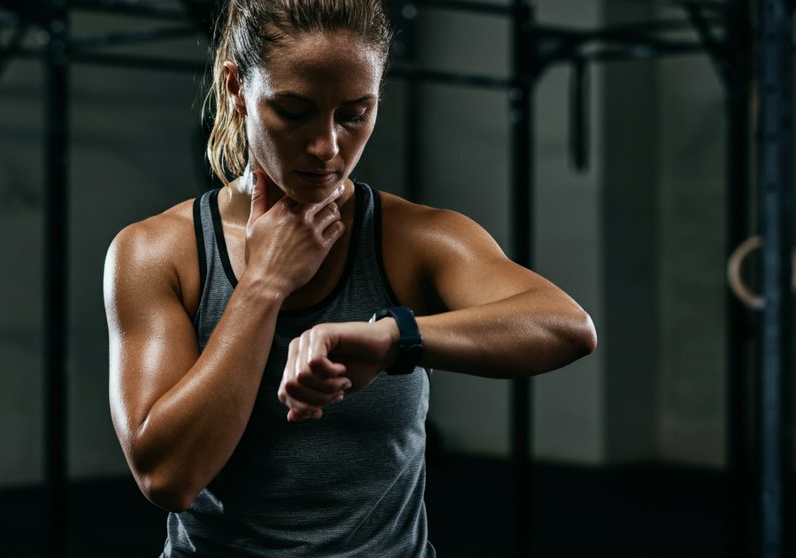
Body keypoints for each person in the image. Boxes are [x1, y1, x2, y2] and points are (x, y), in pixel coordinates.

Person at [103, 0, 596, 555]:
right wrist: (264, 285)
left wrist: (393, 338)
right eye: (294, 111)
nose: (326, 147)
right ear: (237, 87)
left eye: (354, 114)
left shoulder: (411, 240)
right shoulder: (158, 252)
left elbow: (566, 327)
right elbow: (168, 477)